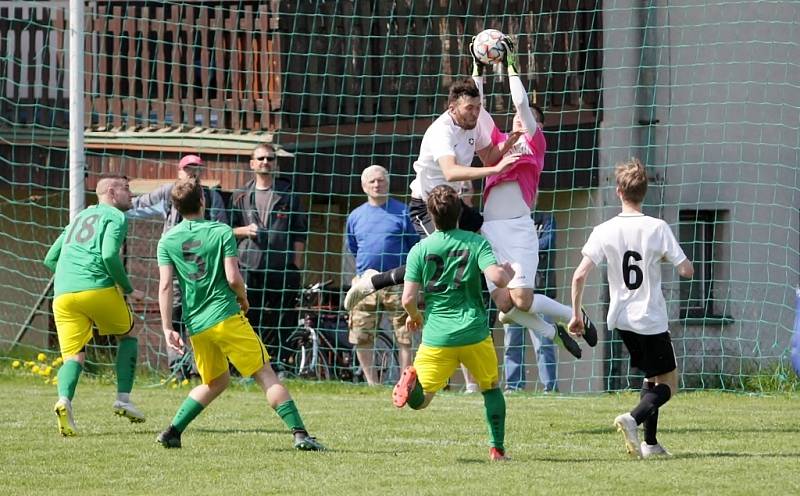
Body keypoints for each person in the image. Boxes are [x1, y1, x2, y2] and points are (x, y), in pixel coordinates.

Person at [154, 176, 324, 451]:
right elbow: (233, 278)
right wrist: (243, 299)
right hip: (225, 315)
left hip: (196, 324)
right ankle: (301, 434)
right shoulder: (221, 231)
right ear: (202, 200)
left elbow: (164, 286)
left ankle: (173, 431)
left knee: (216, 382)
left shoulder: (167, 241)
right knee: (266, 374)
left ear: (175, 206)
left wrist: (166, 327)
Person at [343, 77, 521, 310]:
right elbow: (451, 172)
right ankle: (375, 281)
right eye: (469, 108)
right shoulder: (441, 131)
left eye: (478, 108)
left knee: (486, 235)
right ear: (452, 108)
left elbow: (488, 154)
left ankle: (501, 299)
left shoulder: (474, 125)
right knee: (437, 258)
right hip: (427, 206)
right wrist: (495, 170)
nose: (475, 113)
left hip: (452, 203)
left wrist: (511, 139)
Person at [469, 38, 596, 360]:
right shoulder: (496, 142)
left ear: (537, 126)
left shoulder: (535, 145)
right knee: (504, 306)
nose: (518, 118)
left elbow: (522, 104)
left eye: (526, 119)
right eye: (514, 117)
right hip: (491, 230)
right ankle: (553, 332)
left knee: (521, 302)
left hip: (519, 228)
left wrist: (510, 64)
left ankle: (572, 315)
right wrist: (477, 67)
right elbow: (479, 108)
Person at [568, 158, 694, 459]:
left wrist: (576, 314)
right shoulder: (657, 227)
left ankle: (650, 444)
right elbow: (686, 270)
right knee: (669, 385)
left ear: (618, 192)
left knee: (652, 378)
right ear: (645, 192)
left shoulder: (603, 229)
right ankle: (632, 418)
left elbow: (579, 274)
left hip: (621, 319)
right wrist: (662, 257)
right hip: (649, 318)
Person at [392, 184, 514, 461]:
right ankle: (497, 449)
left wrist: (415, 317)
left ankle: (411, 382)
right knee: (491, 388)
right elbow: (496, 279)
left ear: (431, 216)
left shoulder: (420, 249)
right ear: (460, 212)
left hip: (437, 336)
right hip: (473, 332)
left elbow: (408, 298)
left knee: (421, 402)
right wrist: (507, 273)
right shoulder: (476, 242)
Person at [43, 175, 146, 437]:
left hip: (63, 294)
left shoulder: (79, 217)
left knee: (74, 355)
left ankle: (64, 401)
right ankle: (123, 399)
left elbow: (50, 258)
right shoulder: (116, 216)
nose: (131, 194)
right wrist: (129, 289)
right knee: (129, 335)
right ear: (111, 192)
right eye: (126, 189)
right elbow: (109, 254)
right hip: (97, 287)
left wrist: (73, 276)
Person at [129, 153, 227, 379]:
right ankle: (177, 370)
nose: (193, 173)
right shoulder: (167, 192)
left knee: (202, 319)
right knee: (174, 318)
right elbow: (138, 204)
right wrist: (111, 207)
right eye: (188, 168)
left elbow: (222, 228)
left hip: (204, 270)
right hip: (175, 268)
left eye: (197, 169)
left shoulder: (211, 197)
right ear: (179, 171)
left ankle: (199, 368)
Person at [230, 144, 307, 370]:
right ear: (252, 163)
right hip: (248, 266)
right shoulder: (240, 196)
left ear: (276, 163)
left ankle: (280, 365)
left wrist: (295, 265)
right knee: (248, 317)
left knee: (282, 319)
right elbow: (226, 230)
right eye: (261, 158)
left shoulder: (289, 195)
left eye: (270, 159)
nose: (266, 162)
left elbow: (300, 232)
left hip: (281, 268)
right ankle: (249, 365)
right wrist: (244, 231)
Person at [346, 165, 419, 385]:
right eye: (372, 181)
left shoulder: (403, 212)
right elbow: (353, 247)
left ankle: (404, 383)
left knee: (404, 335)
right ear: (364, 186)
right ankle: (372, 383)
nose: (377, 185)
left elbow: (414, 245)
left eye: (381, 180)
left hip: (397, 282)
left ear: (388, 183)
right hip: (365, 282)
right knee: (361, 334)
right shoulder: (355, 216)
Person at [503, 212, 559, 393]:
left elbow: (547, 243)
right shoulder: (509, 221)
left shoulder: (546, 220)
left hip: (541, 292)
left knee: (544, 343)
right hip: (514, 292)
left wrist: (519, 247)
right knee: (512, 343)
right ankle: (513, 386)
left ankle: (550, 388)